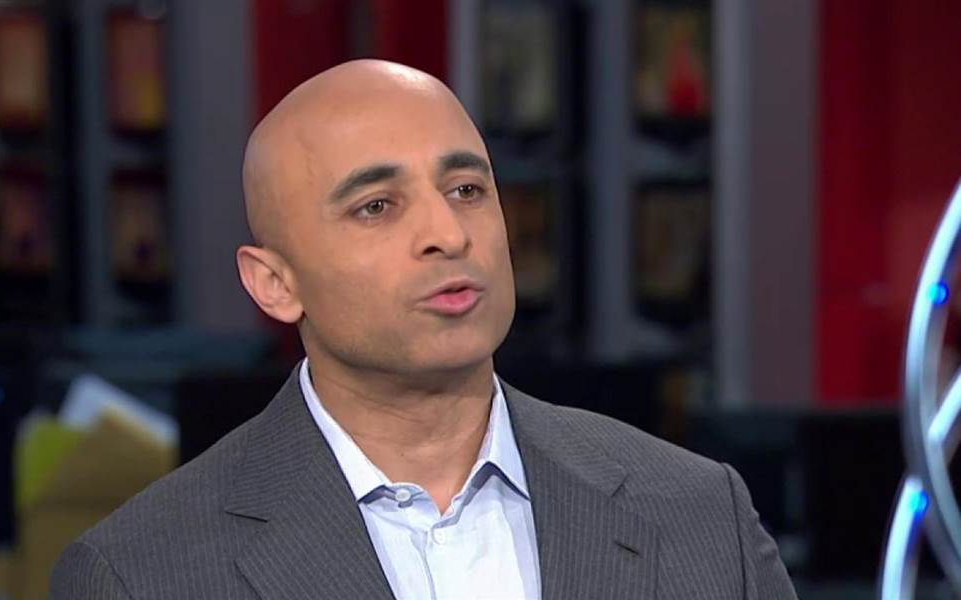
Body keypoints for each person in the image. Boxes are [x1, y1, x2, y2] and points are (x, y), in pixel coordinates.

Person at [50, 59, 796, 600]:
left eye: (466, 189)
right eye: (376, 206)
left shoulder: (699, 515)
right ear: (274, 283)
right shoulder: (142, 574)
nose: (447, 233)